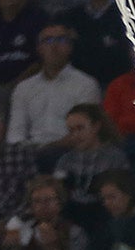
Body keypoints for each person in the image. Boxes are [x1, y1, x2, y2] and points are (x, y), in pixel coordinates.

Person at [6, 21, 97, 157]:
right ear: (39, 48)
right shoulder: (23, 88)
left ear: (70, 47)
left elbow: (84, 132)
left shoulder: (86, 84)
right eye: (47, 40)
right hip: (29, 155)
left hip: (71, 153)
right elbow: (15, 134)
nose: (54, 46)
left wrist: (47, 149)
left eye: (61, 39)